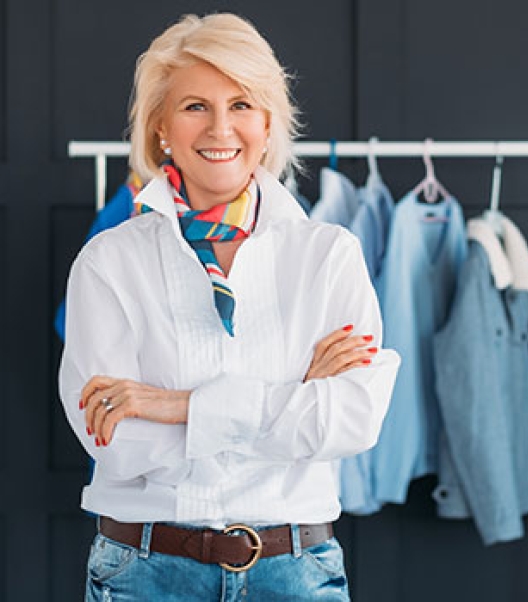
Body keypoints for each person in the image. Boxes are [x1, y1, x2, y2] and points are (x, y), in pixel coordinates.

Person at [59, 13, 400, 601]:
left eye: (241, 104)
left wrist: (172, 405)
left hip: (295, 574)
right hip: (145, 573)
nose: (221, 127)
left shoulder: (328, 255)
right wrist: (291, 398)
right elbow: (116, 443)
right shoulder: (107, 262)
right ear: (161, 126)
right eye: (195, 106)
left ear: (268, 124)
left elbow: (351, 420)